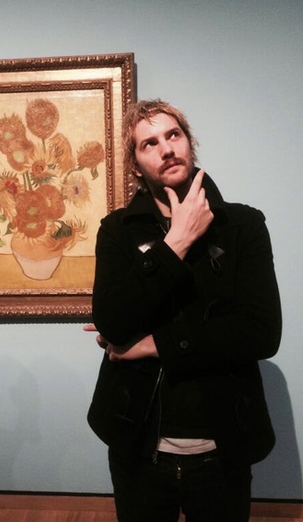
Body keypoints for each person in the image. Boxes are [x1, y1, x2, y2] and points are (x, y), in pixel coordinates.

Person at [84, 99, 282, 522]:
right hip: (139, 442)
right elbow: (112, 322)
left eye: (173, 135)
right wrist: (176, 243)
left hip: (222, 443)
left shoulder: (243, 226)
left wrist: (153, 344)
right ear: (136, 166)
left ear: (189, 143)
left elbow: (261, 332)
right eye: (149, 143)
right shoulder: (116, 230)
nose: (166, 148)